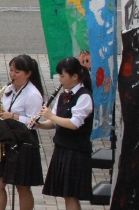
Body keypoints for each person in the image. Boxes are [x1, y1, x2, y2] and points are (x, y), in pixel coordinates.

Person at [0, 54, 45, 210]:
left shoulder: (33, 94)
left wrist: (13, 116)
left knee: (22, 186)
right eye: (11, 70)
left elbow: (35, 122)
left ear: (28, 73)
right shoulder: (8, 90)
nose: (12, 74)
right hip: (6, 139)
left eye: (17, 72)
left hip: (24, 142)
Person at [36, 57, 94, 210]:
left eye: (62, 76)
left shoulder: (84, 96)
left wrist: (50, 116)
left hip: (76, 151)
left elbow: (74, 124)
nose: (60, 79)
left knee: (71, 194)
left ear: (74, 76)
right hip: (62, 148)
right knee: (66, 194)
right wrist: (39, 124)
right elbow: (55, 122)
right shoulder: (63, 95)